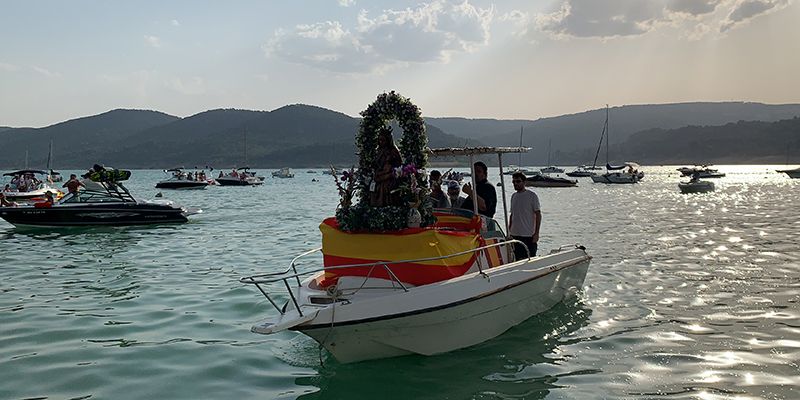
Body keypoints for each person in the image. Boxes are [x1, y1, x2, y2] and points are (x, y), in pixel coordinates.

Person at [508, 172, 541, 260]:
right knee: (516, 258)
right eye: (514, 182)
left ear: (524, 182)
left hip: (528, 235)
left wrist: (537, 233)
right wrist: (509, 231)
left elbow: (538, 214)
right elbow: (512, 215)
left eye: (518, 181)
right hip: (515, 234)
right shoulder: (514, 196)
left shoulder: (532, 196)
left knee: (530, 259)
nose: (515, 184)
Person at [370, 126, 403, 207]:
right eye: (379, 140)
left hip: (389, 176)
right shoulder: (379, 151)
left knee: (385, 187)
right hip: (379, 175)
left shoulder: (393, 151)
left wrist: (390, 171)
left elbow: (398, 165)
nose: (381, 142)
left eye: (383, 140)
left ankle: (387, 207)